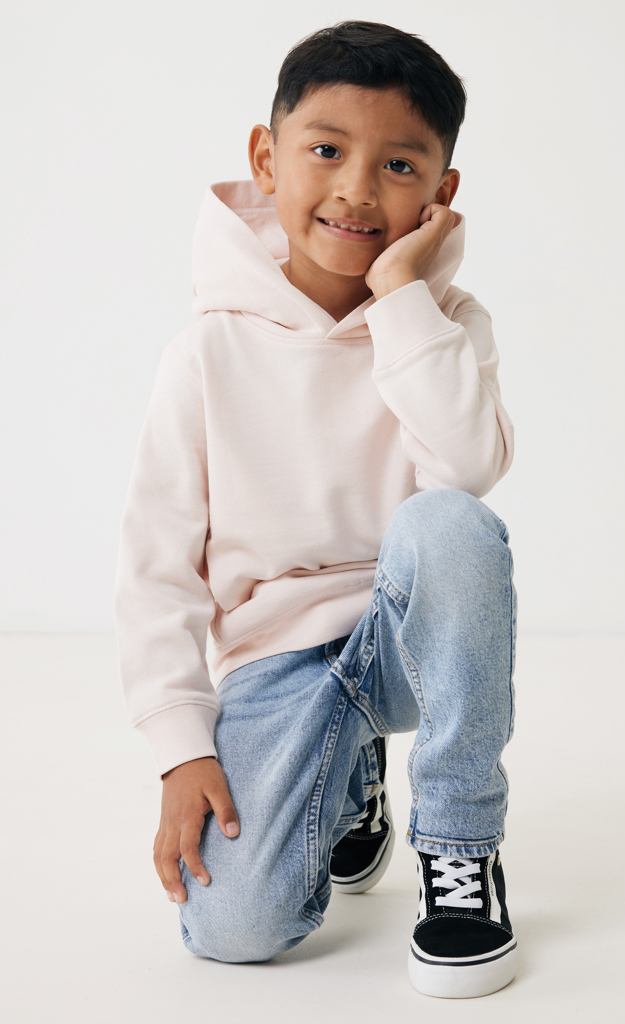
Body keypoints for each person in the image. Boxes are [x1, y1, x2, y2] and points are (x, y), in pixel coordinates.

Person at [114, 20, 517, 999]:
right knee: (232, 930)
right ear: (266, 156)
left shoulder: (444, 325)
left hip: (409, 636)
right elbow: (156, 566)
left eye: (398, 165)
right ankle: (353, 782)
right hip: (276, 660)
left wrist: (397, 294)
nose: (357, 190)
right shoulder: (205, 354)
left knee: (449, 524)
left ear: (438, 193)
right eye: (326, 150)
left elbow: (466, 468)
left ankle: (458, 845)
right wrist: (180, 747)